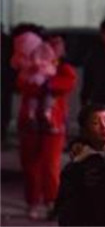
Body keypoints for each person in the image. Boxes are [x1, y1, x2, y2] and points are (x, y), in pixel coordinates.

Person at [14, 29, 78, 220]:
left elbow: (67, 84)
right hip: (30, 124)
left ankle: (52, 202)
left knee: (51, 166)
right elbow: (23, 85)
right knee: (30, 165)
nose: (56, 47)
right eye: (52, 43)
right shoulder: (28, 65)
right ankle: (32, 202)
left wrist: (46, 84)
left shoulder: (64, 69)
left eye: (59, 43)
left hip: (53, 125)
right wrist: (39, 81)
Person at [56, 104, 105, 226]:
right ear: (85, 131)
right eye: (95, 123)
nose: (104, 127)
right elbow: (67, 205)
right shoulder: (78, 164)